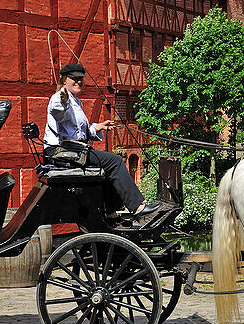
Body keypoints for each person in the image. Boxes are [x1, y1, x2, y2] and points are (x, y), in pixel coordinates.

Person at [44, 63, 159, 217]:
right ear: (64, 80)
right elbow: (57, 112)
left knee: (106, 166)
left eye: (81, 79)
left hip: (72, 150)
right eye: (74, 78)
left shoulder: (75, 101)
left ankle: (110, 211)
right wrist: (63, 101)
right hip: (60, 152)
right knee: (115, 161)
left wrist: (97, 127)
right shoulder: (59, 97)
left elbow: (77, 131)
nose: (78, 81)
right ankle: (137, 208)